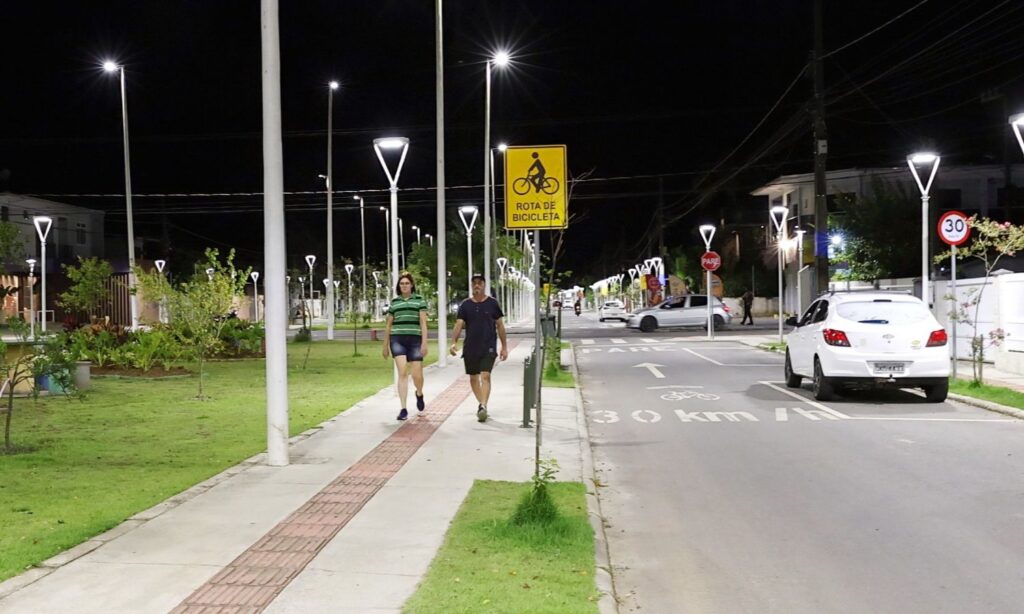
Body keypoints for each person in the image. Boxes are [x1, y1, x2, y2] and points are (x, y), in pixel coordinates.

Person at [450, 274, 509, 422]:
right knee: (473, 378)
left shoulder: (492, 303)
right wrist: (453, 342)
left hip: (488, 345)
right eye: (474, 283)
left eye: (480, 283)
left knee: (485, 375)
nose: (477, 285)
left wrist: (504, 347)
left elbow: (500, 325)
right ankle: (482, 405)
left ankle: (483, 406)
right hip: (471, 347)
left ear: (484, 285)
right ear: (471, 286)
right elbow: (458, 324)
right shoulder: (465, 305)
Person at [382, 273, 429, 421]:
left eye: (407, 283)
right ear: (399, 286)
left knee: (417, 375)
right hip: (397, 339)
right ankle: (403, 408)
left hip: (415, 339)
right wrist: (385, 346)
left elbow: (423, 323)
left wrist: (424, 342)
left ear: (412, 285)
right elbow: (389, 324)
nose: (404, 286)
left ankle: (419, 393)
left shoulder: (419, 300)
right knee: (402, 372)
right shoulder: (395, 302)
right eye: (402, 284)